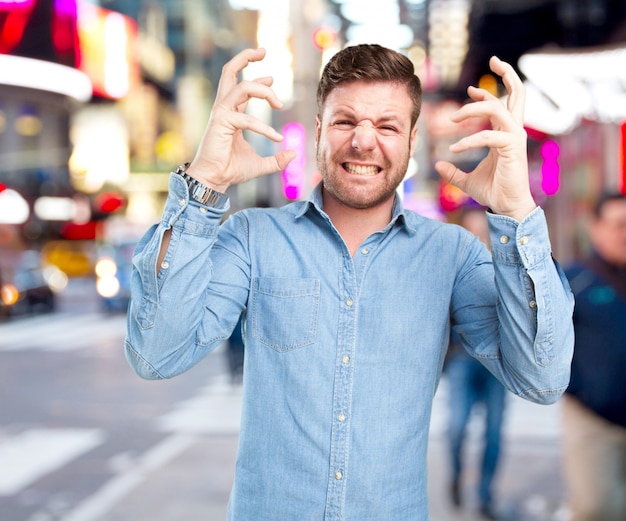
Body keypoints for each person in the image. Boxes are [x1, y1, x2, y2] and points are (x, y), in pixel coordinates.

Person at [125, 45, 574, 520]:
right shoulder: (253, 237)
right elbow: (157, 353)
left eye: (387, 126)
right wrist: (204, 182)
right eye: (345, 121)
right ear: (319, 129)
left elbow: (542, 380)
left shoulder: (453, 255)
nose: (363, 142)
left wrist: (517, 212)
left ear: (412, 139)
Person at [561, 192, 626, 521]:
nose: (624, 234)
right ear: (596, 228)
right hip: (593, 419)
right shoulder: (575, 280)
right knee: (597, 507)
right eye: (618, 225)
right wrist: (580, 389)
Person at [444, 207, 506, 519]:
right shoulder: (451, 265)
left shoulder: (503, 267)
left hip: (496, 363)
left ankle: (484, 495)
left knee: (493, 433)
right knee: (456, 427)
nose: (479, 239)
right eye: (473, 232)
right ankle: (455, 476)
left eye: (483, 232)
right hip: (462, 359)